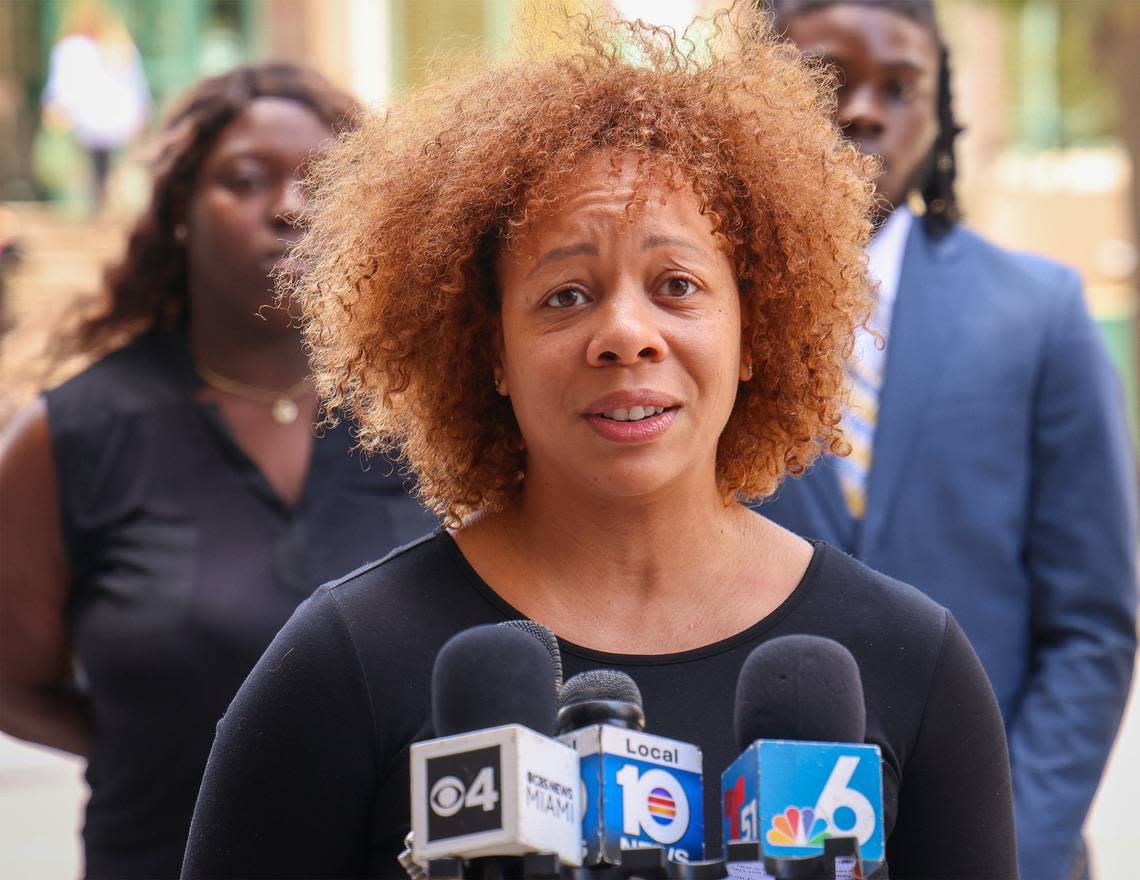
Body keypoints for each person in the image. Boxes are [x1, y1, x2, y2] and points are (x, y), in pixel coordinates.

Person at [180, 12, 1016, 880]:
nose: (625, 334)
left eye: (677, 286)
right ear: (491, 350)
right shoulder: (343, 660)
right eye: (566, 295)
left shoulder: (914, 662)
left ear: (755, 330)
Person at [0, 63, 436, 879]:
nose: (289, 208)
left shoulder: (426, 423)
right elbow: (11, 681)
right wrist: (159, 740)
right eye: (245, 180)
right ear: (176, 217)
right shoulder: (69, 435)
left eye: (321, 183)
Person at [756, 3, 1139, 879]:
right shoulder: (702, 320)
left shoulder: (1040, 314)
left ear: (943, 107)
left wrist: (1013, 847)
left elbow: (1090, 627)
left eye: (900, 86)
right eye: (828, 78)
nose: (863, 110)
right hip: (758, 844)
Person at [40, 0, 151, 212]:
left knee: (102, 177)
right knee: (99, 176)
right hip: (105, 123)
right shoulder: (101, 46)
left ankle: (102, 211)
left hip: (98, 124)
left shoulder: (109, 46)